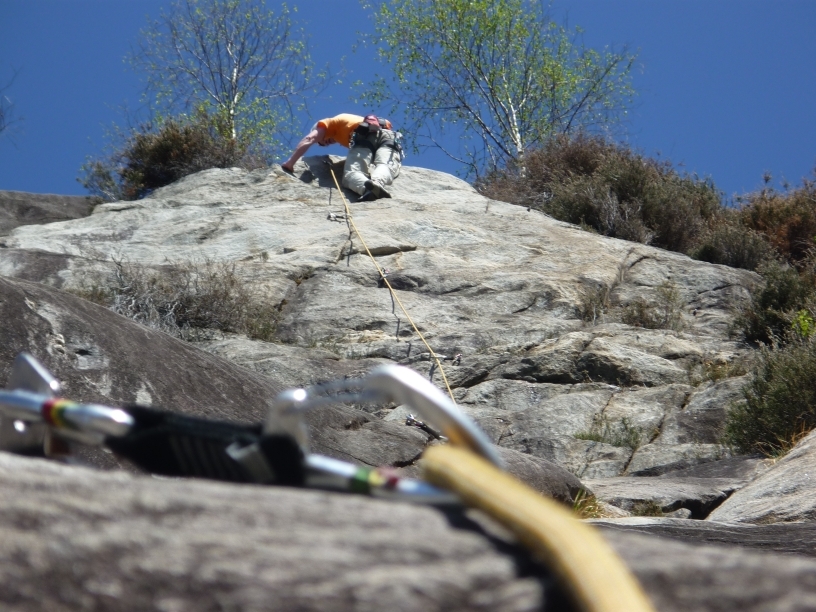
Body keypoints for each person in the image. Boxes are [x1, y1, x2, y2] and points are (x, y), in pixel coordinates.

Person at [281, 113, 402, 200]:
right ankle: (377, 183)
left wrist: (290, 163)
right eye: (323, 145)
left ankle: (367, 187)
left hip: (363, 137)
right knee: (385, 165)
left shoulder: (327, 124)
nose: (325, 143)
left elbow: (309, 138)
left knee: (351, 175)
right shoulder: (345, 128)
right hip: (387, 135)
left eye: (323, 140)